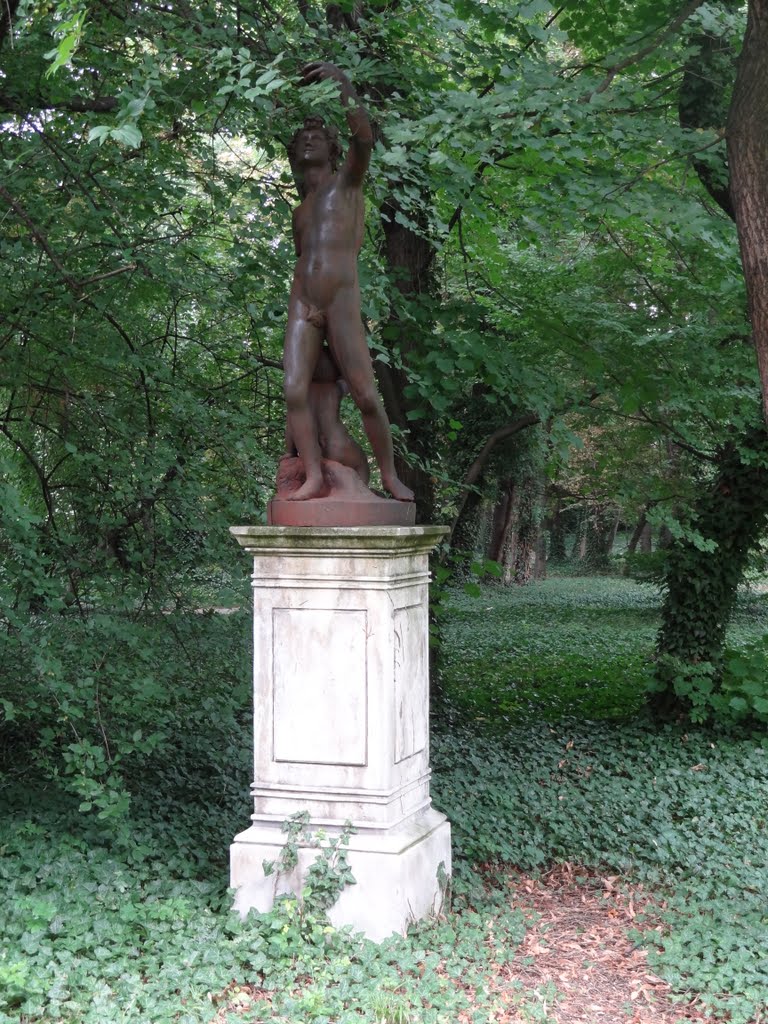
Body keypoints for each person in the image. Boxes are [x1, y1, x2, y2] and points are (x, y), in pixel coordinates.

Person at [283, 61, 414, 502]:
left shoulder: (348, 184)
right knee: (293, 388)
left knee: (366, 395)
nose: (308, 140)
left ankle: (390, 475)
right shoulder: (300, 209)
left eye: (317, 137)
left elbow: (364, 137)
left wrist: (342, 81)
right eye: (302, 139)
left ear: (333, 149)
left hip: (340, 298)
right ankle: (314, 475)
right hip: (303, 298)